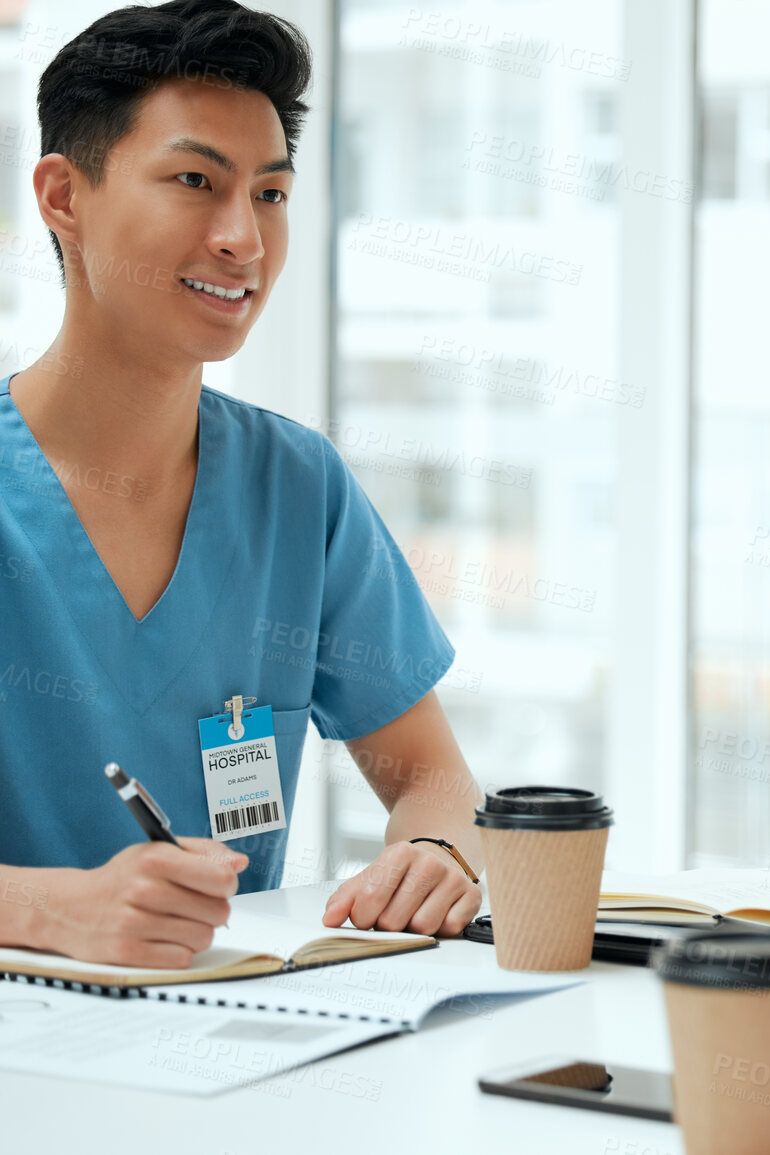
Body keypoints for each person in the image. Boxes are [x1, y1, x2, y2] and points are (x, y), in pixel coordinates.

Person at [0, 0, 483, 970]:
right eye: (194, 181)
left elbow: (432, 775)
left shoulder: (297, 487)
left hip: (226, 1046)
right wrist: (48, 912)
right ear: (62, 196)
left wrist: (433, 850)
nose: (243, 238)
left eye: (270, 194)